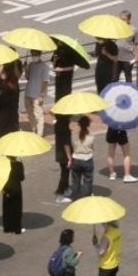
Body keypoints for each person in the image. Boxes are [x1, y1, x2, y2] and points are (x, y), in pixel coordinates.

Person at [53, 49, 75, 204]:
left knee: (64, 172)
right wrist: (69, 157)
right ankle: (61, 193)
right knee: (65, 172)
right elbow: (67, 143)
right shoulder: (64, 127)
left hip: (58, 153)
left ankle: (65, 189)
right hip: (63, 154)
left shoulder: (58, 125)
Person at [23, 50, 49, 135]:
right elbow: (28, 77)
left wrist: (41, 95)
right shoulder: (31, 65)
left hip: (37, 95)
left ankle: (39, 134)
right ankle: (34, 131)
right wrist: (26, 69)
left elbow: (45, 82)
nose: (33, 56)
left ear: (39, 54)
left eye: (35, 54)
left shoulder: (44, 67)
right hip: (28, 93)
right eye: (32, 54)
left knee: (39, 116)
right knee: (30, 114)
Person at [69, 115, 95, 199]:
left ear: (79, 124)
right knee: (87, 179)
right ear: (88, 125)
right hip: (87, 159)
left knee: (75, 179)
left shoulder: (74, 135)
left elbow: (72, 146)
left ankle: (75, 197)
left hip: (76, 159)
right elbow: (92, 147)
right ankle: (86, 197)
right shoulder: (91, 136)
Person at [0, 62, 20, 137]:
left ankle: (13, 134)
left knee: (12, 117)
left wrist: (15, 63)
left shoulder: (16, 64)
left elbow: (18, 76)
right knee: (2, 118)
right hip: (3, 99)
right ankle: (2, 136)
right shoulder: (1, 66)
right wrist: (2, 65)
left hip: (12, 97)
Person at [2, 156, 25, 234]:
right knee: (17, 209)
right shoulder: (19, 164)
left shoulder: (4, 165)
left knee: (7, 208)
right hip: (16, 188)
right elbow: (22, 178)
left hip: (6, 188)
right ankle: (17, 229)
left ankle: (7, 228)